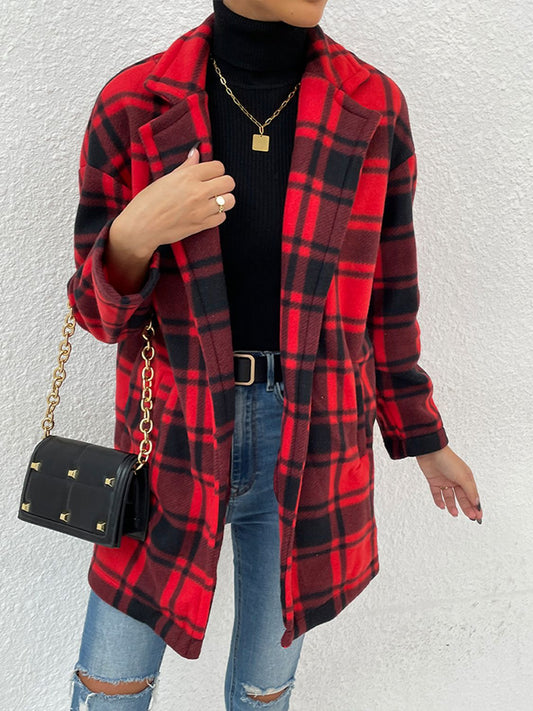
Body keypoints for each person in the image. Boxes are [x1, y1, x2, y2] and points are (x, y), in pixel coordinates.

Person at [67, 0, 483, 708]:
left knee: (265, 691)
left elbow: (389, 298)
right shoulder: (134, 102)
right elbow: (96, 316)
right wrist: (134, 235)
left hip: (314, 439)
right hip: (172, 439)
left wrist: (423, 437)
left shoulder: (372, 107)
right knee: (110, 684)